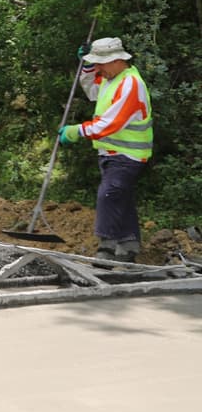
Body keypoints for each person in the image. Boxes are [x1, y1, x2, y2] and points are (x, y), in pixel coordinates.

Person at [59, 37, 152, 263]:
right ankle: (128, 246)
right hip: (110, 153)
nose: (99, 69)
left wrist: (76, 131)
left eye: (100, 64)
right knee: (121, 197)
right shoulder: (112, 79)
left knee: (108, 194)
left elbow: (111, 124)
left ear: (117, 60)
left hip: (128, 155)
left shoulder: (130, 84)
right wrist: (87, 66)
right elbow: (92, 90)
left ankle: (106, 250)